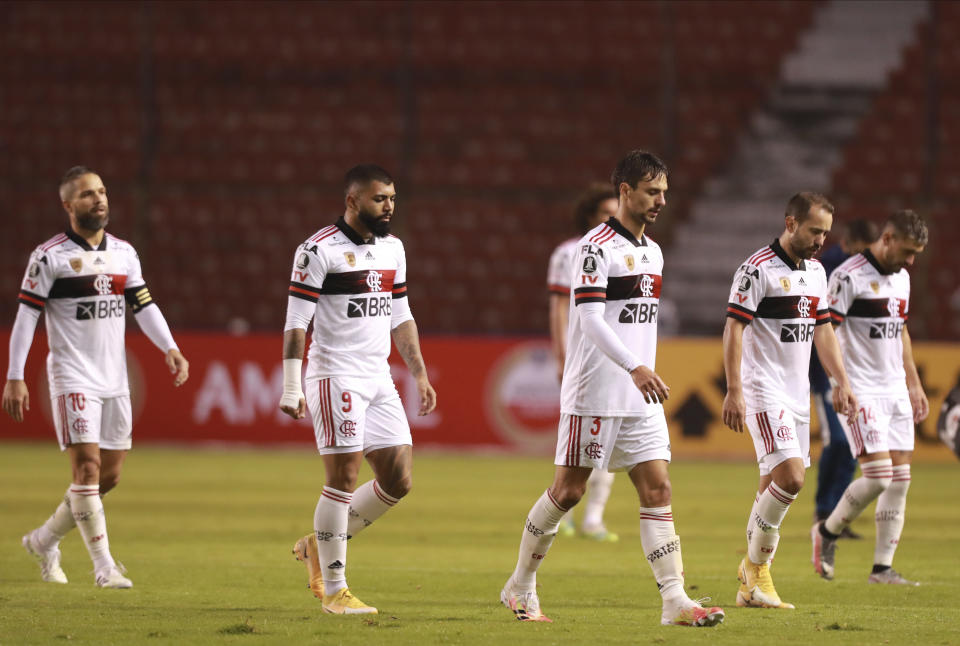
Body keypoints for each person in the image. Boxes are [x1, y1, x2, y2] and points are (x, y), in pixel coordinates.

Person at [501, 150, 724, 627]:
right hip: (597, 389)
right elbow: (590, 319)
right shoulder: (595, 247)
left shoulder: (653, 250)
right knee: (568, 491)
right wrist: (634, 366)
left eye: (664, 191)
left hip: (638, 395)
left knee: (658, 487)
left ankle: (675, 601)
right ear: (625, 191)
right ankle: (519, 585)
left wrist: (640, 371)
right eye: (651, 191)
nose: (661, 200)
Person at [4, 166, 189, 588]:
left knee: (108, 476)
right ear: (68, 205)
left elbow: (144, 305)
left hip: (114, 378)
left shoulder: (124, 252)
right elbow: (26, 317)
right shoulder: (49, 257)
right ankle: (104, 567)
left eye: (102, 191)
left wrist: (171, 348)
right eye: (87, 194)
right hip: (73, 376)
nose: (99, 199)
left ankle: (43, 540)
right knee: (85, 469)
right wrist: (15, 376)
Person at [280, 164, 437, 615]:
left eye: (391, 198)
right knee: (343, 479)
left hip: (378, 376)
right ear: (352, 201)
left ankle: (317, 544)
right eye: (378, 199)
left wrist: (420, 373)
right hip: (335, 374)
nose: (388, 206)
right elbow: (296, 322)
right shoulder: (317, 251)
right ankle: (334, 591)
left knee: (398, 478)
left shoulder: (393, 249)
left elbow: (400, 314)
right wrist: (293, 384)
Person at [722, 192, 857, 609]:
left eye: (826, 233)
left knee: (772, 487)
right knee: (793, 478)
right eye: (815, 230)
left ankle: (752, 585)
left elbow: (824, 330)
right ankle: (754, 570)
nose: (821, 240)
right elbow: (734, 329)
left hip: (797, 393)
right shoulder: (756, 269)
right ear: (791, 222)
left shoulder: (817, 272)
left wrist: (842, 379)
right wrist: (734, 388)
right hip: (765, 389)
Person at [811, 210, 929, 585]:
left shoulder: (903, 278)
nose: (910, 261)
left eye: (916, 254)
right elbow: (825, 330)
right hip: (860, 388)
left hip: (895, 388)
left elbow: (901, 332)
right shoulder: (848, 276)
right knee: (879, 477)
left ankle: (882, 568)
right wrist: (839, 382)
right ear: (888, 237)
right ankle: (826, 532)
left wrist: (913, 383)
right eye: (907, 251)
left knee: (900, 480)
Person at [547, 183, 620, 542]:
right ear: (590, 216)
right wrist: (562, 355)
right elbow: (560, 307)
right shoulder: (568, 253)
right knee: (577, 439)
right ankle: (564, 515)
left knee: (611, 438)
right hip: (582, 358)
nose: (612, 218)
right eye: (606, 212)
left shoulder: (625, 251)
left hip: (611, 359)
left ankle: (593, 519)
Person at [811, 219, 879, 534]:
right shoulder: (827, 267)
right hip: (825, 373)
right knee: (836, 440)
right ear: (850, 244)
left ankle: (837, 515)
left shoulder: (867, 270)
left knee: (853, 444)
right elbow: (819, 326)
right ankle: (823, 509)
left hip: (855, 372)